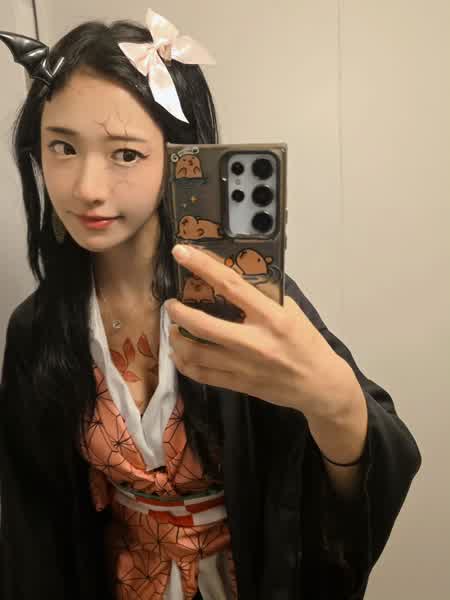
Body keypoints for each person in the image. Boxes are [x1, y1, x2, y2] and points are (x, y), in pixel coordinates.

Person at [0, 8, 421, 600]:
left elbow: (335, 503)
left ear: (179, 157)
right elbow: (35, 531)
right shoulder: (37, 329)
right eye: (63, 147)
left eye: (125, 154)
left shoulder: (240, 301)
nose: (87, 187)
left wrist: (335, 404)